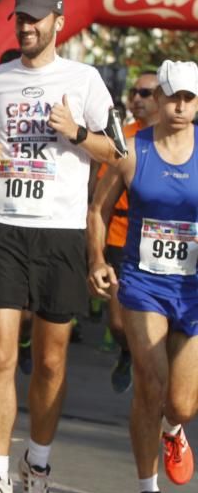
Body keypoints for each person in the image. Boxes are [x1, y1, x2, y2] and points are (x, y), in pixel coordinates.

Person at [0, 0, 120, 493]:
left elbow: (116, 152)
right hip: (4, 226)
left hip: (60, 232)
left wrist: (75, 131)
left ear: (59, 20)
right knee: (1, 357)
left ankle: (39, 467)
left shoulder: (84, 80)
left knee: (51, 363)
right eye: (19, 21)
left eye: (34, 20)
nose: (25, 28)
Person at [88, 60, 198, 493]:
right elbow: (98, 208)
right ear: (157, 99)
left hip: (192, 289)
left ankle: (174, 430)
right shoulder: (131, 151)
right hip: (143, 283)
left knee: (183, 403)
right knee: (149, 382)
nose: (179, 105)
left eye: (188, 98)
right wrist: (97, 260)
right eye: (171, 96)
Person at [100, 70, 160, 394]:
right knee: (119, 324)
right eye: (135, 92)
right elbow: (99, 201)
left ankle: (150, 377)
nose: (137, 98)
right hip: (121, 236)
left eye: (145, 93)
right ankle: (126, 351)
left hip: (163, 242)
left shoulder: (178, 140)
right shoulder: (121, 137)